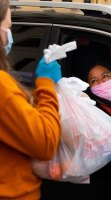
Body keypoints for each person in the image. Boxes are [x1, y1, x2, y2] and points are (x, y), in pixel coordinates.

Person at [0, 0, 62, 199]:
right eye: (9, 27)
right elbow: (46, 143)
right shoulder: (2, 85)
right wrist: (46, 83)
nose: (10, 35)